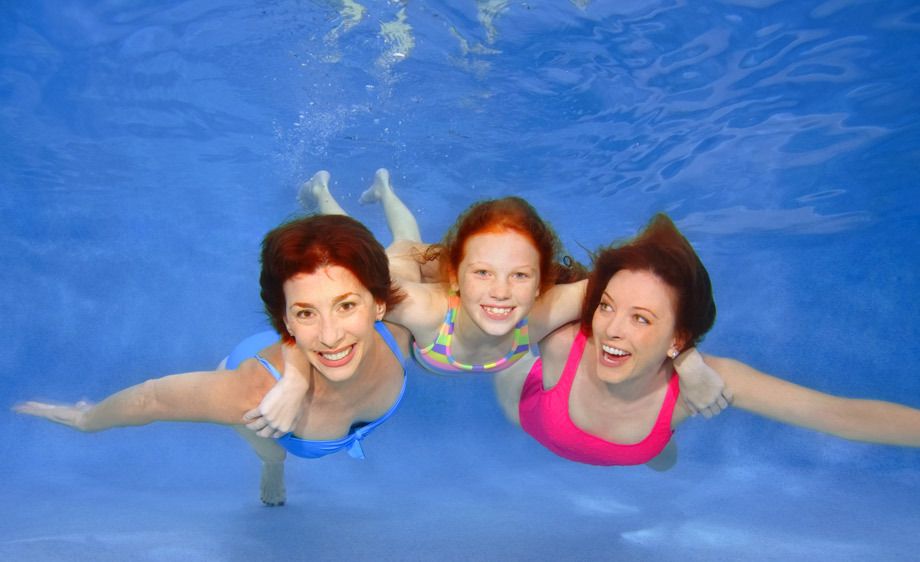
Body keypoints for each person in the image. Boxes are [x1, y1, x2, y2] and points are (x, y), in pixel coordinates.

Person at [246, 171, 730, 439]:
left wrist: (686, 359)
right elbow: (324, 308)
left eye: (521, 276)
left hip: (451, 275)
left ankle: (384, 187)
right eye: (485, 275)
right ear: (458, 276)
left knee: (409, 240)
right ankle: (326, 192)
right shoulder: (421, 308)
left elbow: (654, 273)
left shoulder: (548, 307)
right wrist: (293, 378)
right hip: (418, 281)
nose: (502, 294)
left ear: (541, 280)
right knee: (389, 247)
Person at [14, 215, 411, 506]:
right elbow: (153, 399)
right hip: (256, 372)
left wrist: (301, 376)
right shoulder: (252, 393)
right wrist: (87, 420)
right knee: (272, 449)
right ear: (285, 320)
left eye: (346, 306)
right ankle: (271, 466)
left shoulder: (404, 331)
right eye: (305, 312)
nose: (330, 335)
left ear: (379, 304)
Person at [501, 213, 920, 470]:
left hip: (643, 441)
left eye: (641, 318)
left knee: (658, 456)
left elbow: (838, 415)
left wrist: (686, 362)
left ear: (677, 338)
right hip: (529, 409)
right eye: (606, 306)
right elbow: (481, 304)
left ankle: (654, 446)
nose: (611, 329)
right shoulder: (561, 340)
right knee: (491, 353)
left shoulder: (702, 385)